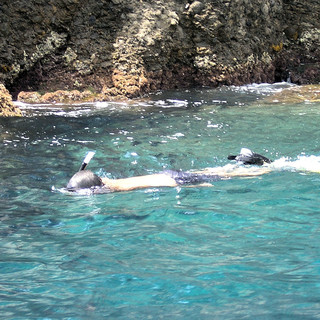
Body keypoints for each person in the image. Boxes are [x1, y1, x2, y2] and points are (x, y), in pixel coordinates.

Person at [65, 148, 272, 194]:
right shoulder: (106, 182)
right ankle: (244, 159)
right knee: (216, 171)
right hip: (169, 173)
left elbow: (150, 183)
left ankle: (265, 169)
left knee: (224, 176)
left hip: (173, 179)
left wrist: (196, 185)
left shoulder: (117, 188)